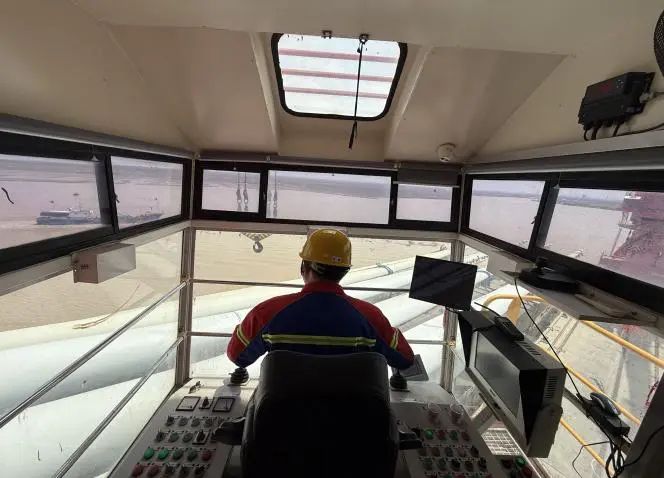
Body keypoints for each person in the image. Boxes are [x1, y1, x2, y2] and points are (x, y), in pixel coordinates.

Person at [227, 228, 414, 369]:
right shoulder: (370, 317)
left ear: (303, 267)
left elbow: (237, 356)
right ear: (344, 271)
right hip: (350, 411)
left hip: (283, 410)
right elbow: (405, 359)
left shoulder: (267, 313)